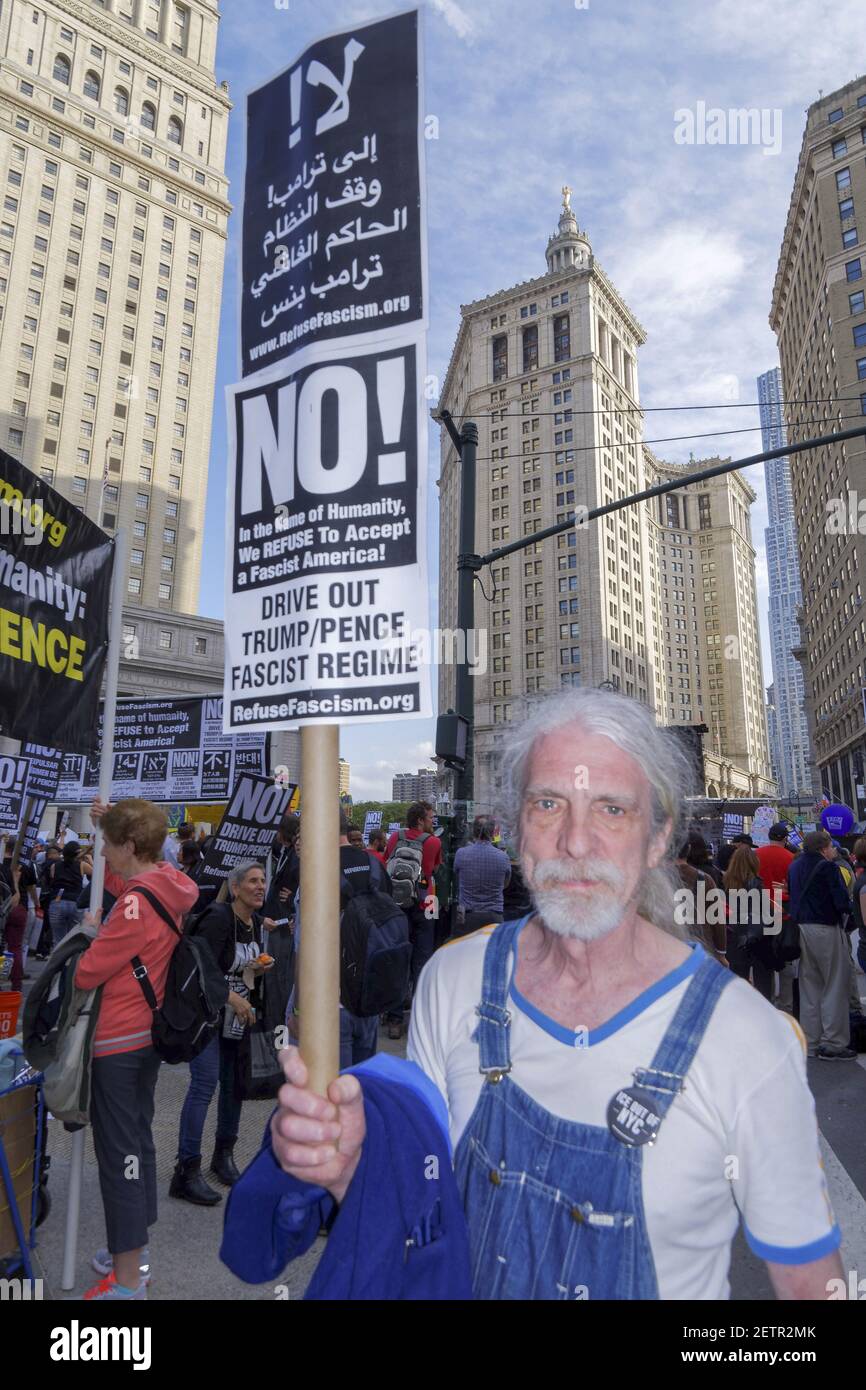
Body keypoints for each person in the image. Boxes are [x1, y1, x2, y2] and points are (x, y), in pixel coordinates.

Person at [271, 687, 843, 1300]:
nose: (575, 841)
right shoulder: (451, 981)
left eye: (612, 809)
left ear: (657, 838)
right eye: (548, 804)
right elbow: (420, 1206)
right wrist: (353, 1169)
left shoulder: (750, 1037)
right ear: (518, 830)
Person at [75, 796, 200, 1301]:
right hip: (145, 1036)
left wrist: (90, 935)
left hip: (118, 1039)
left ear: (129, 846)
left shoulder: (134, 902)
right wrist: (103, 824)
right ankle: (134, 1252)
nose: (102, 850)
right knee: (138, 1146)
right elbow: (130, 895)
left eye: (108, 842)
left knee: (120, 1156)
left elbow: (88, 971)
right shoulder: (165, 885)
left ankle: (128, 1283)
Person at [172, 861, 276, 1205]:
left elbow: (241, 968)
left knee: (234, 1086)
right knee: (204, 1085)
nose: (260, 886)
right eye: (252, 881)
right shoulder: (218, 918)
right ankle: (186, 1171)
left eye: (263, 881)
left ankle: (223, 1157)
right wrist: (231, 996)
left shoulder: (257, 923)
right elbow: (199, 966)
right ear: (235, 888)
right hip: (208, 1019)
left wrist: (258, 969)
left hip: (238, 1021)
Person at [787, 829, 857, 1060]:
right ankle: (834, 1042)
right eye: (831, 847)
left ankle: (811, 1039)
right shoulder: (828, 867)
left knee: (809, 986)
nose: (833, 850)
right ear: (823, 848)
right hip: (825, 927)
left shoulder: (794, 866)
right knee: (835, 984)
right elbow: (841, 901)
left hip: (801, 928)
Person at [382, 802, 442, 1040]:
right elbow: (434, 868)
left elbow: (387, 861)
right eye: (430, 818)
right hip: (427, 902)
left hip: (398, 904)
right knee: (423, 960)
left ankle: (395, 1018)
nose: (432, 823)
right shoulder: (434, 842)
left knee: (399, 959)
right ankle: (419, 1018)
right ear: (420, 820)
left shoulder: (394, 837)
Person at [754, 823, 796, 1013]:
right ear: (785, 839)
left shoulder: (756, 855)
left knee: (765, 960)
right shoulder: (791, 857)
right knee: (786, 959)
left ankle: (767, 1005)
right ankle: (786, 1006)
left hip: (761, 909)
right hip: (784, 911)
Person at [723, 846, 772, 1001]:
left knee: (739, 984)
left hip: (734, 937)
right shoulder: (756, 883)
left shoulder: (725, 882)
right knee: (763, 984)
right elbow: (765, 913)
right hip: (757, 938)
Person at [452, 815, 511, 938]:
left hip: (466, 916)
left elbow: (457, 877)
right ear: (493, 832)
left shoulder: (461, 854)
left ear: (473, 830)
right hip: (494, 916)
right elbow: (505, 884)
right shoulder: (503, 857)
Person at [674, 841, 726, 963]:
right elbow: (717, 918)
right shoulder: (704, 878)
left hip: (666, 947)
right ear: (688, 849)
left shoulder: (657, 879)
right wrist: (721, 952)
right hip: (701, 947)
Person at [263, 813, 300, 921]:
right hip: (277, 915)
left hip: (285, 919)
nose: (275, 833)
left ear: (284, 831)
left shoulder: (296, 856)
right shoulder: (285, 850)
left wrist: (293, 898)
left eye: (277, 830)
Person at [47, 840, 84, 946]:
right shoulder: (81, 865)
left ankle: (59, 962)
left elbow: (52, 879)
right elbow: (97, 875)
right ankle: (72, 962)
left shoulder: (55, 866)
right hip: (75, 901)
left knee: (58, 940)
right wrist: (89, 859)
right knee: (75, 939)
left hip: (58, 901)